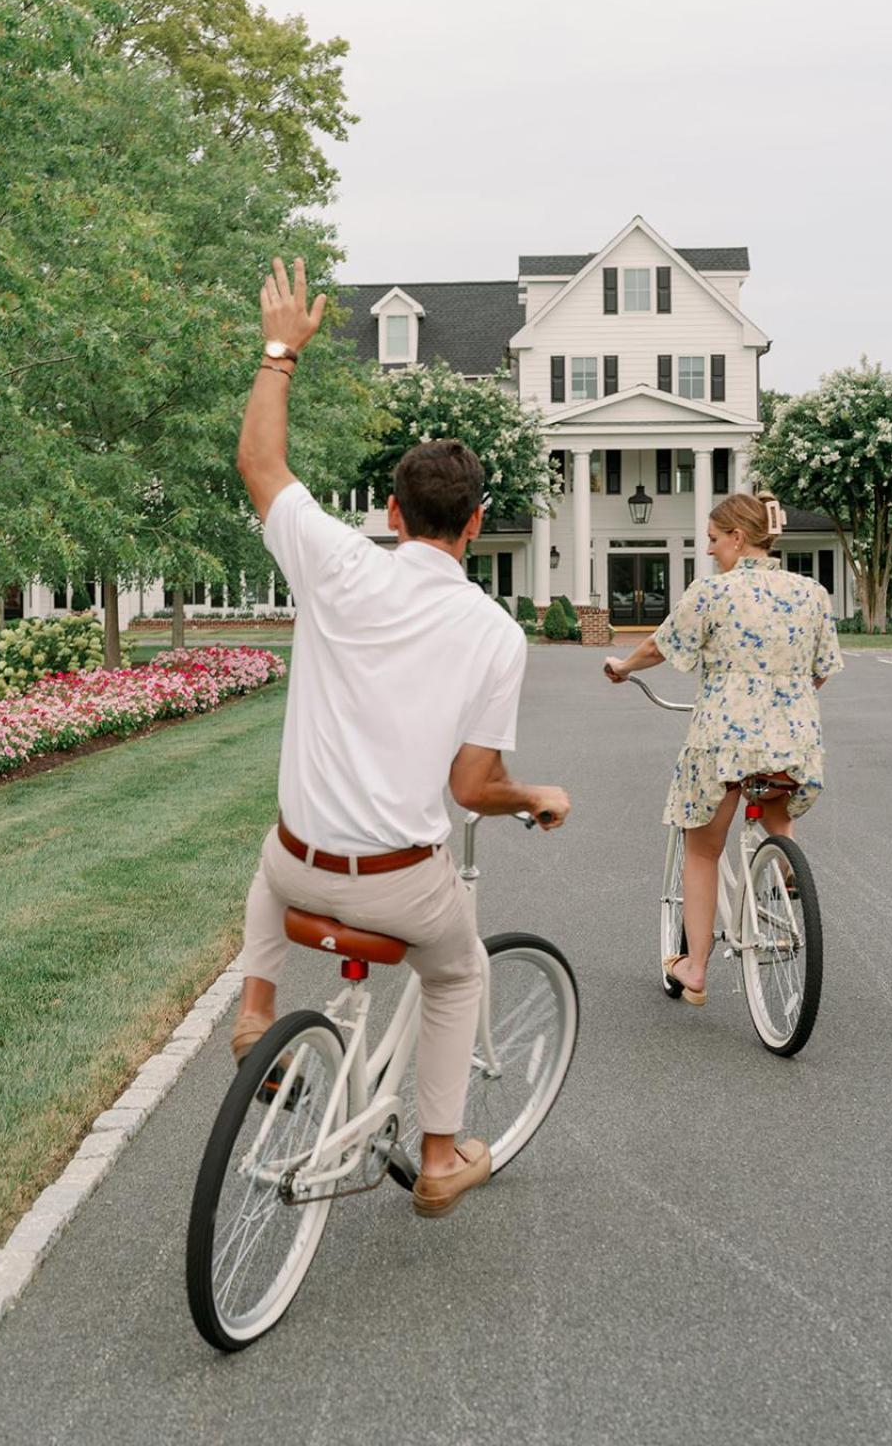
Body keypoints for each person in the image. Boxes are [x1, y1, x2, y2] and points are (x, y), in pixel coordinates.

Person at [231, 257, 570, 1217]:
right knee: (459, 968)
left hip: (300, 865)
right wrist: (532, 795)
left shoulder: (336, 562)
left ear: (390, 514)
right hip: (397, 887)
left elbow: (261, 464)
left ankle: (257, 1016)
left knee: (270, 854)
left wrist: (279, 353)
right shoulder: (495, 634)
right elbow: (471, 788)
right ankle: (437, 1155)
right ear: (475, 524)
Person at [603, 492, 842, 1003]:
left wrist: (622, 667)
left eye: (714, 540)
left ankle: (694, 967)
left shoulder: (712, 593)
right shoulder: (813, 593)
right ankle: (782, 870)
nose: (709, 550)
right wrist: (780, 699)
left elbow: (658, 647)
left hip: (724, 739)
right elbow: (821, 671)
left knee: (703, 850)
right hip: (793, 739)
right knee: (777, 810)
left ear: (737, 537)